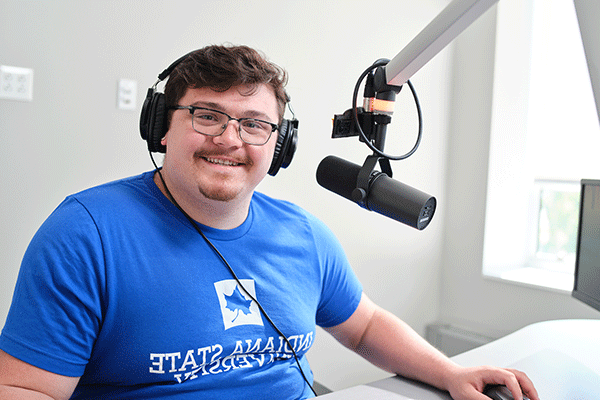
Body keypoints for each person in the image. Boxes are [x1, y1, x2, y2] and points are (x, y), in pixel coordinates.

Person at [0, 44, 538, 400]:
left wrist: (449, 372)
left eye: (255, 124)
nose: (230, 139)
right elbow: (27, 390)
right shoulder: (85, 234)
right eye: (207, 115)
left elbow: (367, 325)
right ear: (162, 127)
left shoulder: (302, 234)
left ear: (279, 147)